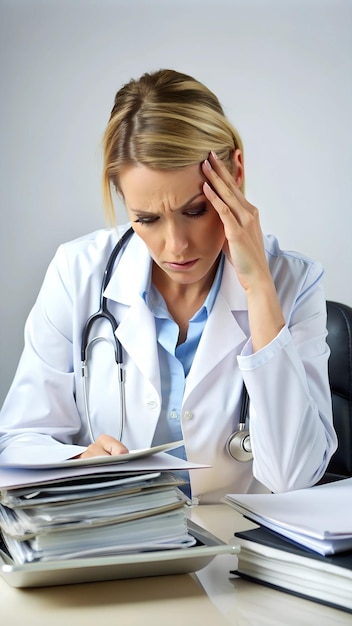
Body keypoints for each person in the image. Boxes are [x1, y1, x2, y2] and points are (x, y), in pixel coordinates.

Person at [0, 69, 337, 503]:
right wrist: (77, 465)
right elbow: (17, 442)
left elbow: (296, 477)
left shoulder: (294, 284)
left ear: (234, 173)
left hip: (240, 559)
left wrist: (258, 289)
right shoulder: (77, 272)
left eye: (195, 211)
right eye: (147, 219)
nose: (176, 245)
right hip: (114, 545)